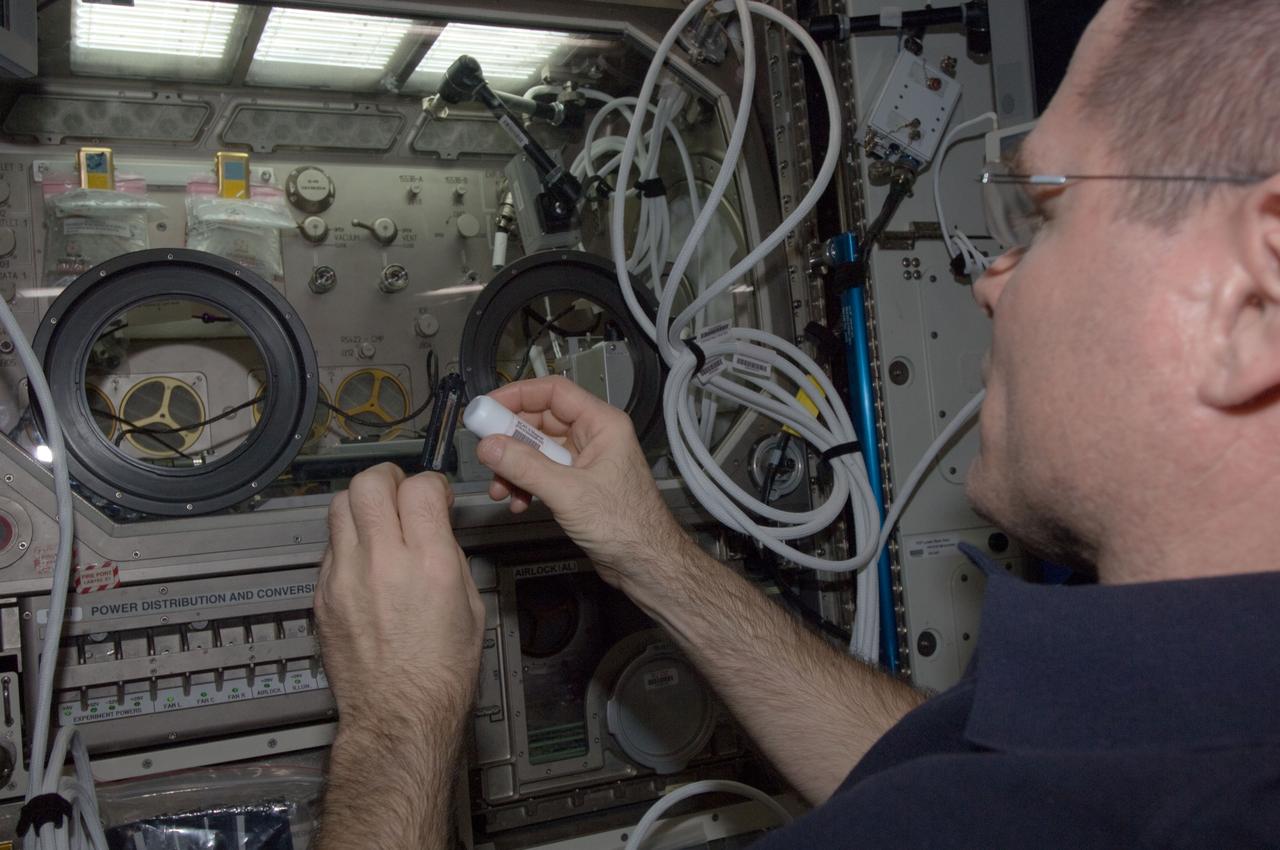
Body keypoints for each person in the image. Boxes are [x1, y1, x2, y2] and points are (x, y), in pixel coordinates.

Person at [312, 0, 1280, 845]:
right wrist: (648, 552)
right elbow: (911, 774)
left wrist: (399, 711)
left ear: (1251, 296)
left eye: (1042, 212)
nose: (986, 278)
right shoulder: (1178, 719)